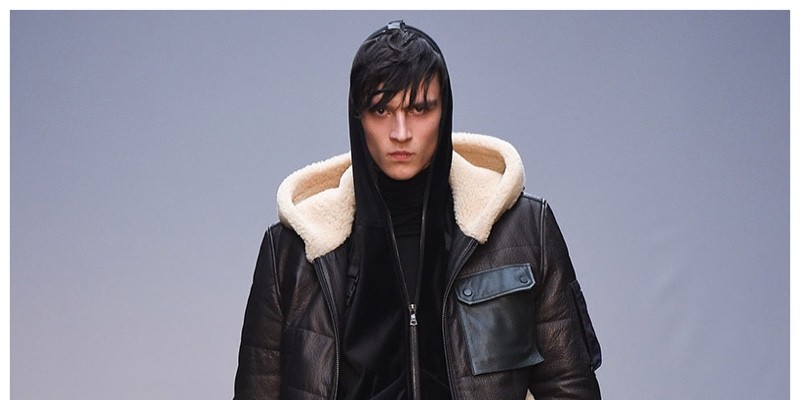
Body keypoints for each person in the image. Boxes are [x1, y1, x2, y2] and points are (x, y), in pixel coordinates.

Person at [233, 20, 602, 399]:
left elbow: (569, 388)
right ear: (358, 117)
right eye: (381, 110)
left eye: (419, 109)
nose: (401, 133)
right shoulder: (292, 251)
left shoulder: (524, 230)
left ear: (445, 112)